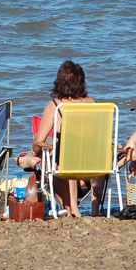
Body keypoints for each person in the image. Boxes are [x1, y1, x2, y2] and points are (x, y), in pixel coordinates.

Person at [26, 60, 99, 217]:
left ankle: (70, 209)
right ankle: (94, 211)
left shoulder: (55, 105)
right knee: (68, 154)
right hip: (94, 164)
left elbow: (39, 141)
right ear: (82, 82)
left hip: (68, 166)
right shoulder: (92, 102)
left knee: (51, 160)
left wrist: (34, 152)